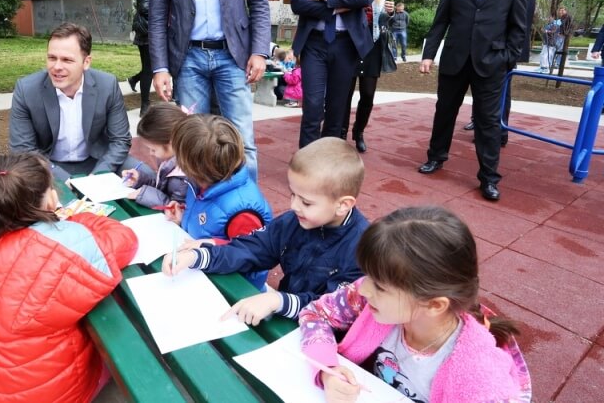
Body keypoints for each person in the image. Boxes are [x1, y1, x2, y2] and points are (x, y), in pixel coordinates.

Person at [0, 152, 137, 402]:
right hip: (53, 392)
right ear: (49, 199)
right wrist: (77, 220)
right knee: (113, 335)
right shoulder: (67, 245)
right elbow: (125, 241)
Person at [299, 206, 532, 402]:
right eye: (368, 276)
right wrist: (327, 369)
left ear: (434, 305)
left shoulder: (479, 376)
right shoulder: (372, 298)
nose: (363, 289)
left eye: (379, 286)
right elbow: (316, 314)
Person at [163, 137, 368, 323]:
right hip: (287, 316)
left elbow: (336, 310)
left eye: (306, 202)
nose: (294, 205)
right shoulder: (293, 222)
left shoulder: (363, 251)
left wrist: (278, 301)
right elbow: (249, 249)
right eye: (293, 194)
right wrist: (197, 256)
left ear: (343, 205)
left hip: (325, 340)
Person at [148, 0, 271, 182]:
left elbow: (258, 0)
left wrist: (259, 51)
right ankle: (198, 199)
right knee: (192, 141)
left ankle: (248, 200)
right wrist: (160, 67)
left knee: (242, 140)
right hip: (188, 58)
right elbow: (157, 11)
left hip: (233, 55)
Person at [418, 0, 528, 201]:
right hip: (454, 60)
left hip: (491, 63)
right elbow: (440, 22)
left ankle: (489, 178)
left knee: (487, 121)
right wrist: (428, 55)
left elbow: (518, 27)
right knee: (444, 112)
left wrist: (506, 59)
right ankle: (436, 157)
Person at [9, 22, 150, 182]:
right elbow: (22, 150)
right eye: (52, 58)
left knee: (146, 174)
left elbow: (120, 140)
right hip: (48, 164)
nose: (57, 66)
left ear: (86, 62)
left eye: (67, 60)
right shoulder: (27, 90)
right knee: (14, 184)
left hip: (97, 160)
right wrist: (65, 180)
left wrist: (98, 175)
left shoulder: (107, 85)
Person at [164, 114, 273, 290]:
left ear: (193, 167)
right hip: (200, 273)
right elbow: (208, 215)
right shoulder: (202, 182)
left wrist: (210, 245)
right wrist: (183, 216)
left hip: (234, 290)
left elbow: (251, 254)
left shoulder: (243, 211)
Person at [290, 0, 377, 148]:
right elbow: (297, 2)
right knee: (312, 108)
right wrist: (338, 7)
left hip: (346, 44)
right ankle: (306, 162)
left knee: (336, 111)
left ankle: (329, 161)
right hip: (314, 43)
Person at [464, 0, 536, 147]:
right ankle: (480, 122)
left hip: (502, 51)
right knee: (484, 89)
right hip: (491, 50)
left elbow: (519, 24)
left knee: (501, 93)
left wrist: (509, 54)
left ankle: (499, 132)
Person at [341, 0, 393, 153]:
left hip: (372, 43)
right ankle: (341, 133)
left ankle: (359, 131)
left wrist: (389, 13)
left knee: (368, 94)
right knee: (344, 93)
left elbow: (380, 17)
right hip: (350, 42)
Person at [122, 103, 188, 208]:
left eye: (153, 149)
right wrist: (140, 179)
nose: (150, 153)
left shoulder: (184, 176)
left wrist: (145, 194)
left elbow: (177, 209)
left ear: (170, 144)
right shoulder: (169, 160)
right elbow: (161, 187)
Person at [127, 0, 153, 117]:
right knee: (149, 70)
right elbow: (146, 9)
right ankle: (145, 105)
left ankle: (134, 79)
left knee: (149, 69)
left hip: (143, 36)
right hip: (148, 36)